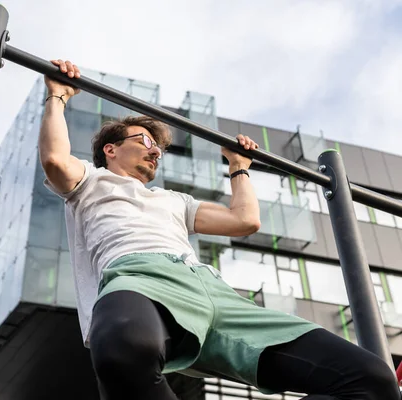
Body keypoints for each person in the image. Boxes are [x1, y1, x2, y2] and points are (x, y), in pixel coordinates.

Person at [39, 59, 400, 400]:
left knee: (373, 381)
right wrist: (58, 94)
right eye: (144, 141)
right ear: (111, 149)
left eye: (159, 149)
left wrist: (239, 167)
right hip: (139, 278)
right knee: (122, 350)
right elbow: (55, 159)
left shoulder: (174, 200)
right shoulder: (91, 181)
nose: (155, 152)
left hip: (211, 291)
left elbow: (244, 220)